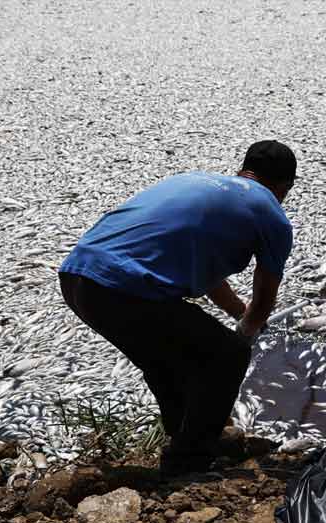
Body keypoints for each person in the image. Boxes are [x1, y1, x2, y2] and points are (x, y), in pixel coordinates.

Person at [58, 140, 296, 476]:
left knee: (165, 360)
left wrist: (236, 313)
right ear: (286, 185)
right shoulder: (272, 213)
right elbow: (265, 299)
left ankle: (185, 438)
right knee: (227, 355)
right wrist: (245, 333)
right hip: (124, 290)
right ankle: (189, 462)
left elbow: (211, 279)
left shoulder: (197, 182)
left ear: (244, 169)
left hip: (77, 278)